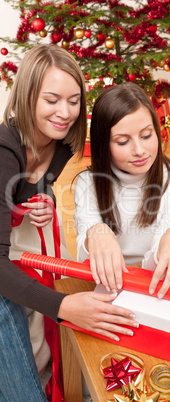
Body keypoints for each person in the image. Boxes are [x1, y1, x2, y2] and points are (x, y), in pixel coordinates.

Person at [0, 45, 137, 402]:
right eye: (52, 100)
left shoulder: (61, 143)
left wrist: (42, 199)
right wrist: (63, 308)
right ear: (28, 96)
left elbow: (36, 184)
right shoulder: (4, 150)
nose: (65, 113)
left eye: (74, 100)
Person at [74, 82, 170, 302]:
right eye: (123, 141)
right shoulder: (88, 183)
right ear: (104, 144)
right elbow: (84, 259)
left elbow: (158, 266)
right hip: (108, 287)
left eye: (146, 135)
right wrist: (93, 233)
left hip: (160, 289)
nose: (139, 151)